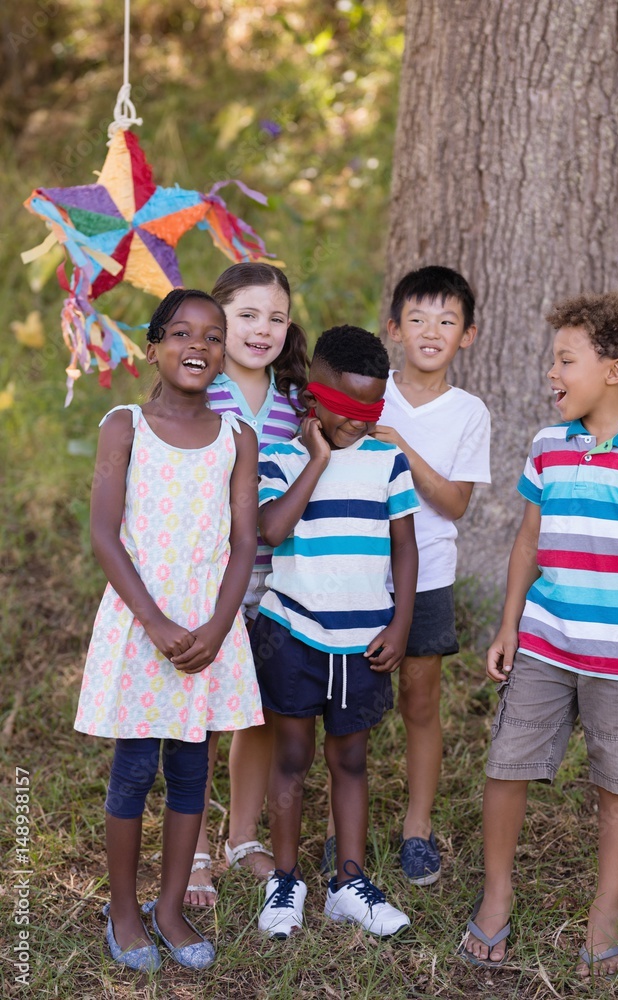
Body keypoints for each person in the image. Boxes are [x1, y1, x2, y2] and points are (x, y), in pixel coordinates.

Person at [460, 292, 618, 977]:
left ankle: (605, 910)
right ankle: (496, 896)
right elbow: (526, 541)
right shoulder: (548, 445)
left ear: (614, 370)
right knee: (507, 762)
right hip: (546, 642)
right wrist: (508, 624)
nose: (551, 373)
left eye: (564, 360)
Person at [74, 289, 261, 971]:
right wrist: (153, 620)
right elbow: (102, 530)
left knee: (190, 769)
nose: (197, 347)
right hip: (141, 622)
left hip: (208, 628)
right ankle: (124, 911)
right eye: (180, 333)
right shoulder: (124, 424)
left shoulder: (237, 439)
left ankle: (171, 907)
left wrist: (218, 625)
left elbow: (245, 541)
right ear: (152, 348)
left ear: (223, 354)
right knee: (132, 771)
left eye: (212, 337)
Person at [320, 266, 491, 886]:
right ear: (393, 329)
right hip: (359, 570)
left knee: (420, 701)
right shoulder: (368, 388)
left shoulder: (468, 412)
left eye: (447, 321)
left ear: (467, 336)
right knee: (348, 706)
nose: (431, 331)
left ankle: (417, 827)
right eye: (417, 319)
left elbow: (455, 503)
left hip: (429, 575)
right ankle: (343, 830)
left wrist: (401, 447)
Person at [252, 325, 420, 939]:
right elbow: (271, 531)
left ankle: (349, 883)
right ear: (313, 397)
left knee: (350, 760)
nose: (357, 425)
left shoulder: (388, 460)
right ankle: (286, 881)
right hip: (292, 633)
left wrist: (400, 622)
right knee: (291, 759)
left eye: (370, 411)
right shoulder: (283, 458)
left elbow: (405, 546)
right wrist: (319, 460)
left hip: (364, 640)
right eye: (345, 411)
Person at [184, 262, 308, 907]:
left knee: (254, 711)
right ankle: (195, 847)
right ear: (220, 318)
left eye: (277, 318)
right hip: (211, 579)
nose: (263, 329)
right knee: (203, 716)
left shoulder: (293, 405)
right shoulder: (201, 392)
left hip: (278, 580)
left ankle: (242, 837)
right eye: (249, 315)